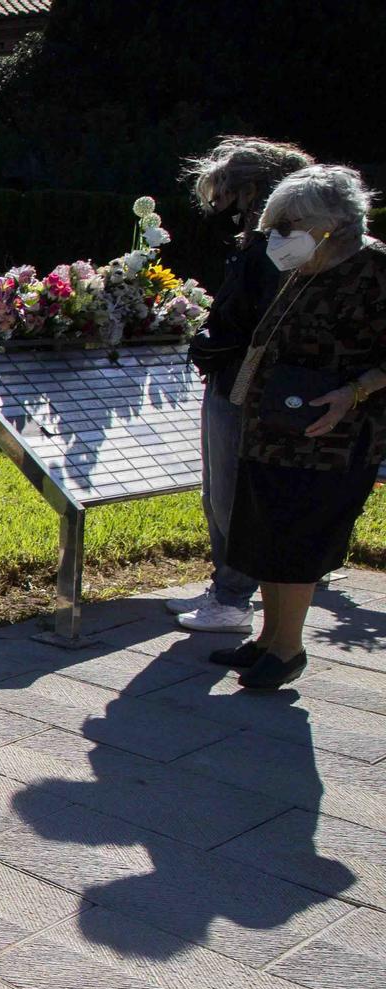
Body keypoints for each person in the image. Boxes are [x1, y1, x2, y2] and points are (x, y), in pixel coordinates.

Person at [213, 165, 386, 690]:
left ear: (331, 223)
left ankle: (288, 650)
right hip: (275, 424)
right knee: (265, 530)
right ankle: (268, 638)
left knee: (299, 538)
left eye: (288, 225)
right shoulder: (305, 266)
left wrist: (355, 391)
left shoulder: (375, 267)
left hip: (331, 434)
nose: (278, 236)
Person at [175, 137, 316, 633]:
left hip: (244, 384)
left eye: (227, 194)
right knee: (219, 490)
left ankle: (233, 598)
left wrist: (220, 342)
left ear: (252, 188)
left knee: (229, 494)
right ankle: (226, 588)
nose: (223, 206)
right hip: (237, 377)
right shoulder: (281, 240)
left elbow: (268, 320)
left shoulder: (279, 245)